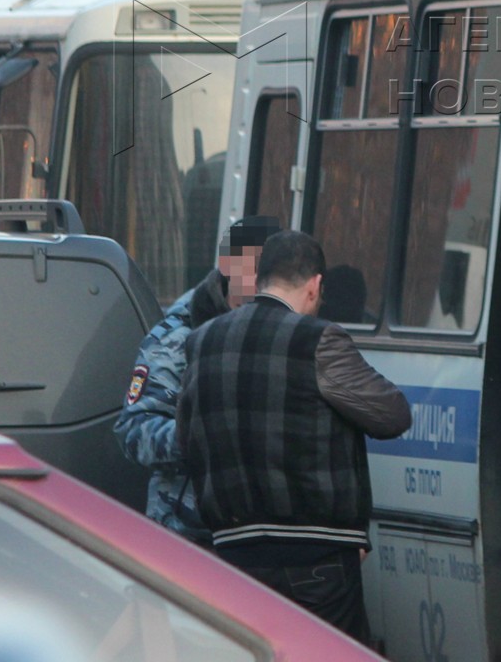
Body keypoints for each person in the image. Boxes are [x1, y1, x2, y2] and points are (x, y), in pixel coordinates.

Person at [177, 230, 411, 643]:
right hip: (317, 560)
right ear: (315, 285)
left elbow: (185, 442)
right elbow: (390, 415)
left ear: (261, 278)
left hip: (234, 556)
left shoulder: (202, 342)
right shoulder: (317, 340)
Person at [114, 215, 280, 543]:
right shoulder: (179, 335)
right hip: (186, 534)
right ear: (228, 264)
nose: (263, 279)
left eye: (271, 269)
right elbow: (133, 430)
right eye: (255, 266)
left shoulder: (282, 330)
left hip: (261, 535)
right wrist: (203, 436)